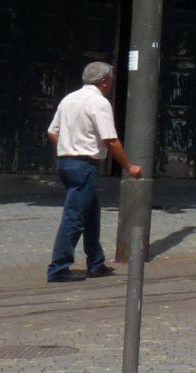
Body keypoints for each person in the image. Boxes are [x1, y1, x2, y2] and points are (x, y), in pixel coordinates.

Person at [45, 62, 142, 283]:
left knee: (90, 213)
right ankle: (58, 267)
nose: (112, 84)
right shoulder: (99, 103)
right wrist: (129, 166)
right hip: (84, 166)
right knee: (74, 216)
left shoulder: (69, 99)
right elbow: (111, 140)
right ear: (104, 81)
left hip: (66, 163)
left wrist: (67, 147)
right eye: (112, 80)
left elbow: (52, 131)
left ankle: (96, 262)